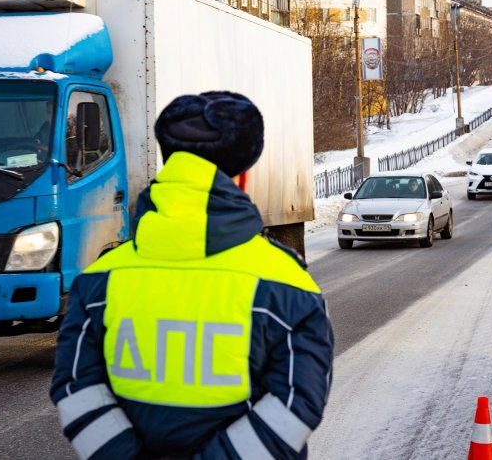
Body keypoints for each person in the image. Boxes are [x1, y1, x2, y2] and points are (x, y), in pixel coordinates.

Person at [50, 91, 334, 460]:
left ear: (168, 166)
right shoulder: (288, 284)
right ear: (242, 179)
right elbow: (296, 404)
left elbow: (77, 388)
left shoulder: (98, 279)